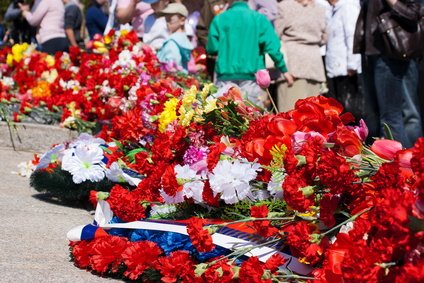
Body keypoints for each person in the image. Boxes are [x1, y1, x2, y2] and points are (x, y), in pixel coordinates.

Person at [353, 0, 423, 148]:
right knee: (372, 114)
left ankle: (403, 164)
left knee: (394, 115)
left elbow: (413, 14)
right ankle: (375, 161)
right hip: (369, 54)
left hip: (393, 54)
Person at [206, 0, 294, 108]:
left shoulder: (219, 18)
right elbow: (273, 47)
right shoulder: (259, 19)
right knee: (250, 116)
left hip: (225, 75)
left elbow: (212, 48)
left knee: (225, 115)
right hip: (251, 77)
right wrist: (283, 69)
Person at [275, 0, 327, 113]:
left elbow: (276, 34)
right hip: (314, 61)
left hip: (292, 62)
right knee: (312, 116)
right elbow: (325, 37)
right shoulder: (319, 9)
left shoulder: (284, 6)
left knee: (289, 114)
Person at [325, 0, 364, 121]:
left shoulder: (348, 7)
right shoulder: (335, 10)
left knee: (350, 109)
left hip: (346, 69)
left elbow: (352, 35)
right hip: (336, 69)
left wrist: (352, 65)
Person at [156, 3, 193, 71]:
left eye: (170, 20)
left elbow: (171, 69)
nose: (167, 23)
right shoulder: (183, 41)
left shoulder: (171, 43)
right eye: (166, 20)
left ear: (182, 20)